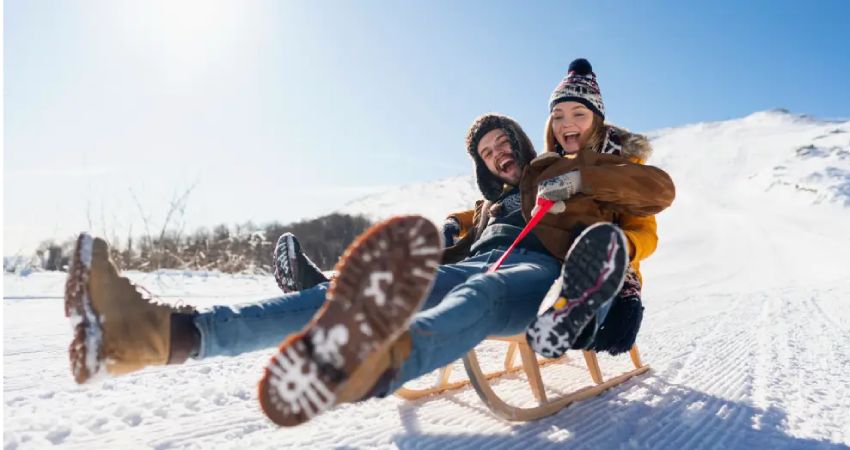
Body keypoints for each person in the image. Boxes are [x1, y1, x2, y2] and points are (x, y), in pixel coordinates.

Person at [65, 114, 566, 428]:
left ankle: (379, 362)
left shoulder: (562, 175)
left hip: (537, 273)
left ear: (520, 141)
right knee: (365, 291)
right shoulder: (485, 209)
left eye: (503, 143)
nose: (498, 154)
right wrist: (452, 232)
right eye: (487, 152)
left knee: (483, 291)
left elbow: (615, 196)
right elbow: (460, 230)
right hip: (477, 264)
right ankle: (154, 334)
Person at [520, 58, 675, 358]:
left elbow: (646, 230)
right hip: (551, 263)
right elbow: (504, 204)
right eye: (557, 116)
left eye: (579, 113)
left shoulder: (622, 164)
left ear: (597, 120)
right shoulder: (545, 168)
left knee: (593, 267)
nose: (566, 124)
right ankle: (564, 312)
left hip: (605, 265)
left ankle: (580, 316)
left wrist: (582, 182)